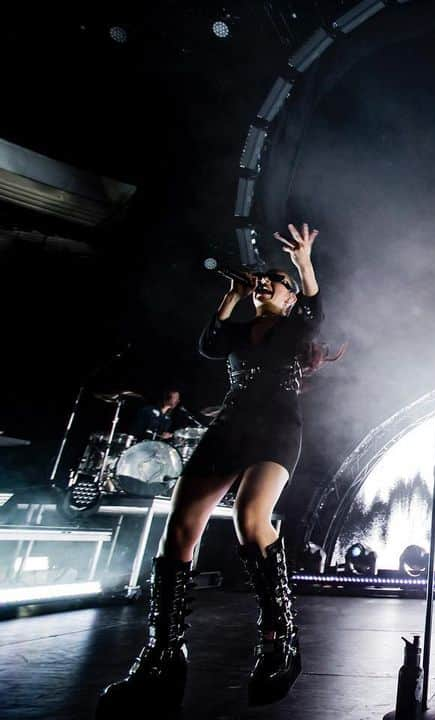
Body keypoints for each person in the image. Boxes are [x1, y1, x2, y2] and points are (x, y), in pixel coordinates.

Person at [99, 223, 326, 714]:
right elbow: (210, 344)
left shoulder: (294, 327)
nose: (267, 283)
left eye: (277, 281)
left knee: (251, 518)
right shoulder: (240, 331)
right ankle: (163, 654)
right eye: (263, 279)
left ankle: (278, 640)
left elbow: (314, 309)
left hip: (276, 428)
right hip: (229, 426)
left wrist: (303, 264)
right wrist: (231, 295)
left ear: (288, 300)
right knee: (179, 529)